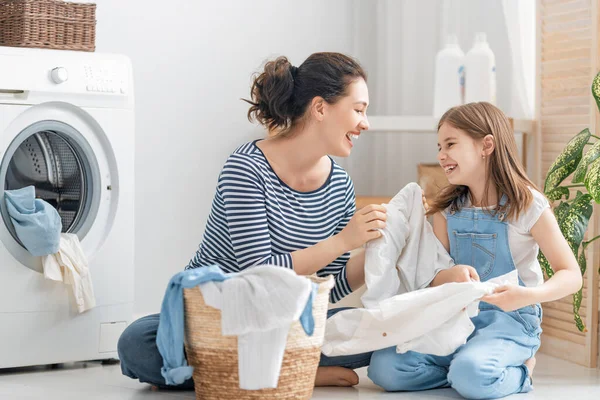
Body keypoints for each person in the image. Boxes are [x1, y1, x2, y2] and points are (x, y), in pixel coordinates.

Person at [117, 52, 387, 389]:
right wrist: (343, 241)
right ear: (320, 108)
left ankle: (247, 372)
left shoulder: (340, 184)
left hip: (285, 320)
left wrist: (383, 248)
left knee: (377, 328)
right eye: (359, 109)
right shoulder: (246, 168)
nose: (366, 122)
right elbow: (256, 273)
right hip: (221, 317)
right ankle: (294, 371)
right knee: (137, 343)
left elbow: (330, 287)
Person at [367, 102, 583, 399]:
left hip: (510, 321)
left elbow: (571, 274)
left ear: (487, 145)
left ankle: (520, 372)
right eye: (439, 146)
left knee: (471, 375)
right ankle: (464, 371)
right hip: (456, 318)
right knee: (385, 368)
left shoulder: (527, 204)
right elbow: (432, 275)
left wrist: (529, 296)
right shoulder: (447, 208)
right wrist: (449, 275)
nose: (441, 155)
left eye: (451, 144)